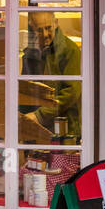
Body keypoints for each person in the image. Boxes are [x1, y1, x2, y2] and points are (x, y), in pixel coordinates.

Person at [22, 10, 81, 139]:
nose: (45, 34)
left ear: (56, 23)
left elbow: (71, 92)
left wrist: (39, 115)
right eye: (39, 30)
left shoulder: (69, 51)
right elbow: (25, 88)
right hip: (37, 127)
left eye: (48, 28)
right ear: (32, 28)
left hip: (65, 128)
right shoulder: (31, 53)